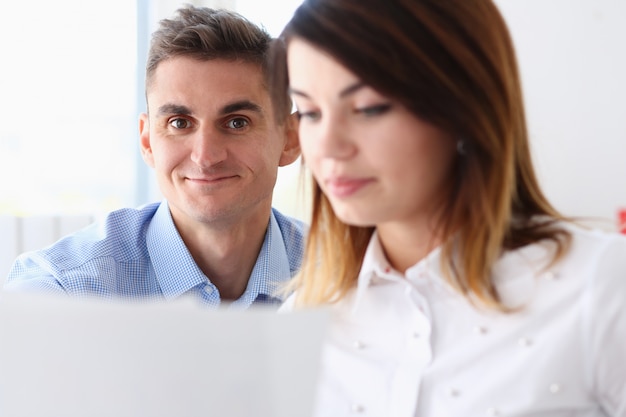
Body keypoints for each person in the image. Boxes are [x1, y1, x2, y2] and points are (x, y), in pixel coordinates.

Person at [272, 0, 626, 415]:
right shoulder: (303, 322)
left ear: (463, 107)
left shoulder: (600, 286)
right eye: (311, 112)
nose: (328, 146)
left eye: (368, 108)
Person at [5, 5, 305, 309]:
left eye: (237, 122)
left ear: (290, 139)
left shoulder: (349, 279)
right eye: (179, 123)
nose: (206, 156)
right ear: (147, 141)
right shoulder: (65, 289)